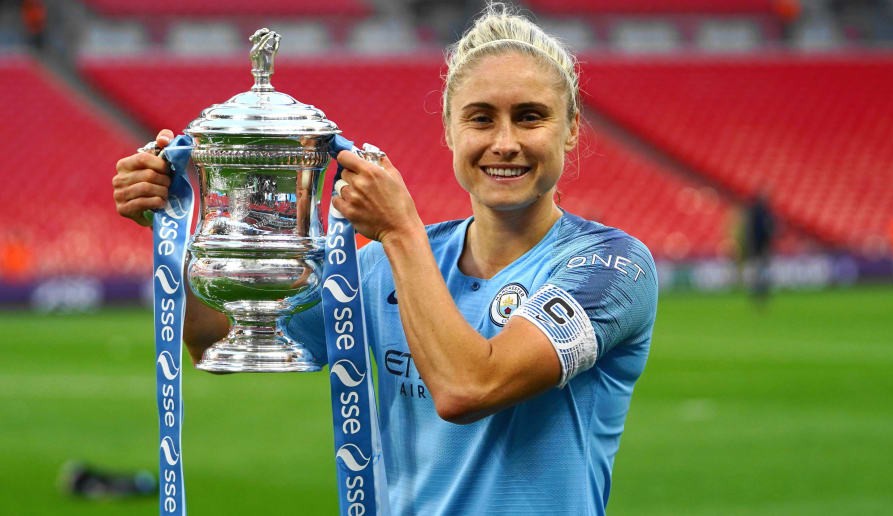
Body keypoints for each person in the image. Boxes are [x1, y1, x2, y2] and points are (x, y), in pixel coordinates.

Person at [112, 3, 658, 513]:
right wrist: (179, 227)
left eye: (531, 116)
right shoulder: (381, 268)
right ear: (449, 128)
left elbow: (470, 387)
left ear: (571, 129)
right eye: (481, 118)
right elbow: (217, 338)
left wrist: (399, 229)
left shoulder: (612, 267)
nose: (505, 142)